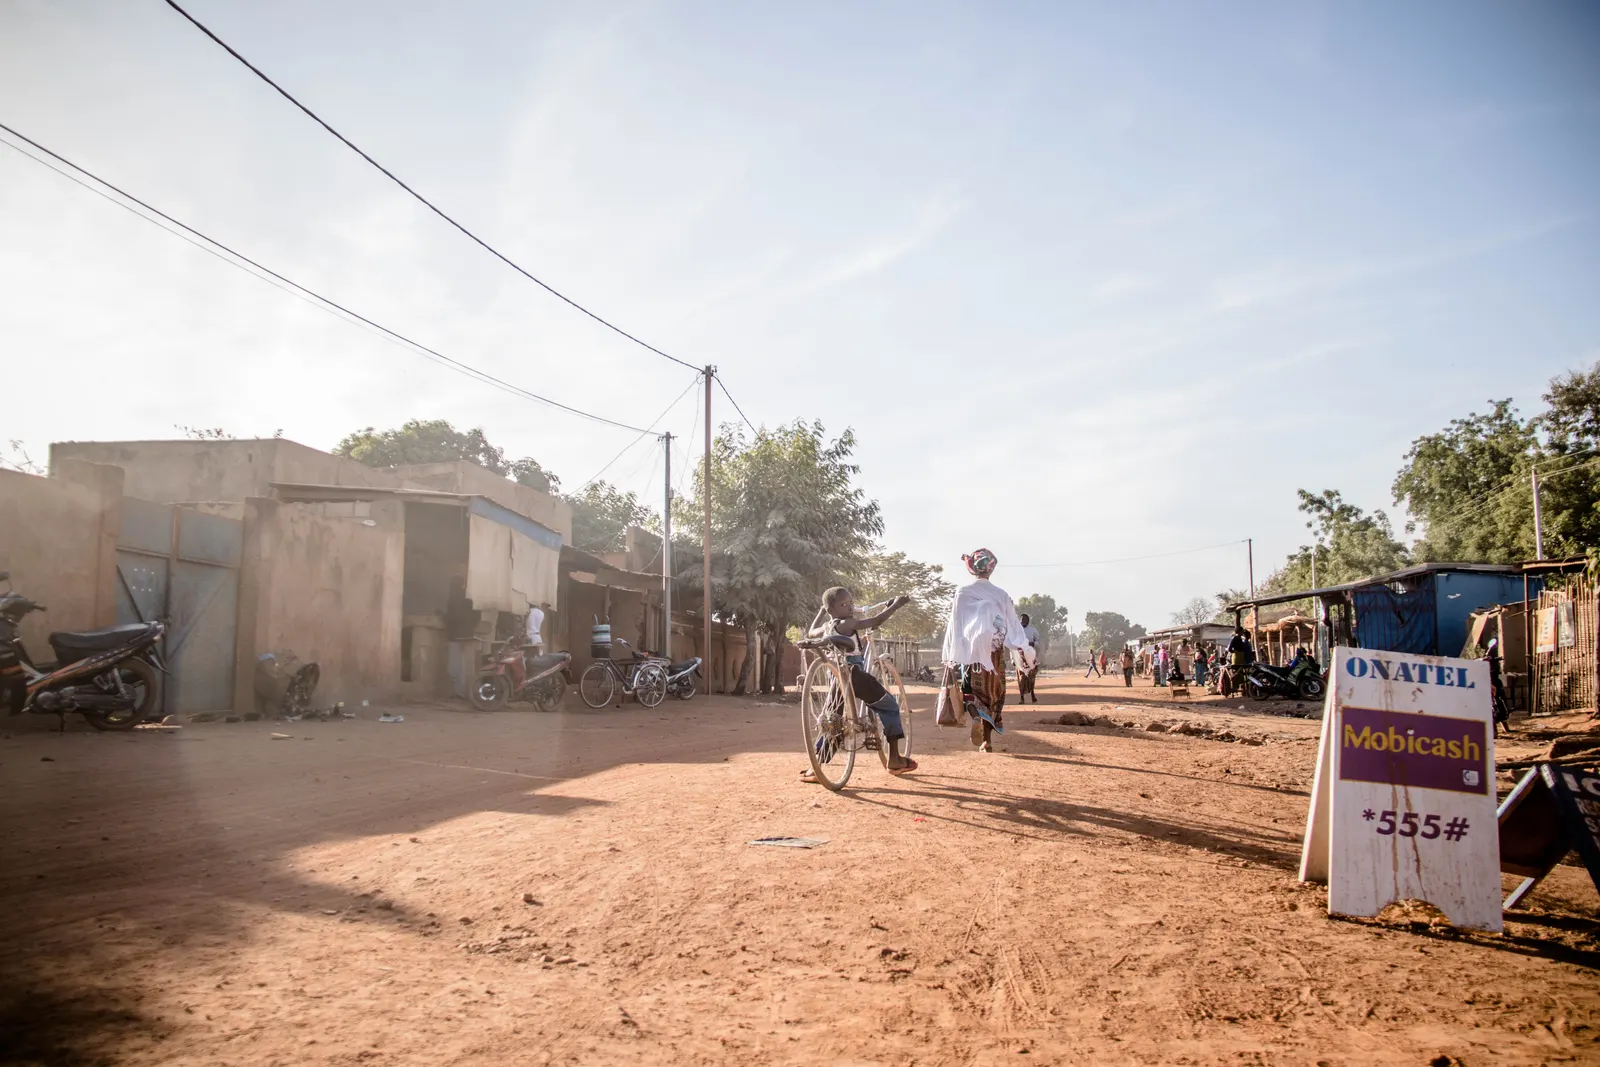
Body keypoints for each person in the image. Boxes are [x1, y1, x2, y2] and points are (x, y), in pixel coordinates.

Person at [801, 587, 917, 781]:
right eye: (843, 604)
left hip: (837, 678)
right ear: (833, 610)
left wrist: (821, 612)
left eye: (850, 603)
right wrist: (896, 605)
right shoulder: (848, 622)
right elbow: (876, 621)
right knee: (889, 706)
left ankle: (816, 768)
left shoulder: (829, 626)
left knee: (833, 721)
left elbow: (813, 631)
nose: (849, 607)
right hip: (854, 674)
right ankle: (895, 759)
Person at [941, 548, 1032, 753]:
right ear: (990, 570)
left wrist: (952, 654)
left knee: (969, 692)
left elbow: (955, 624)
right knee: (993, 696)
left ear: (972, 569)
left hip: (970, 655)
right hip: (994, 655)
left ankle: (975, 717)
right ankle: (987, 741)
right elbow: (1013, 625)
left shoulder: (962, 592)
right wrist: (1022, 648)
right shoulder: (1001, 594)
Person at [1017, 613, 1041, 704]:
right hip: (1020, 657)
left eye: (1025, 620)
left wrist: (1032, 644)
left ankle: (1032, 694)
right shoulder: (1016, 631)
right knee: (1021, 678)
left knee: (1031, 677)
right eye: (1021, 620)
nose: (1023, 621)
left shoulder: (1033, 630)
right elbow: (1012, 645)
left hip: (1031, 656)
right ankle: (1021, 697)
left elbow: (1038, 641)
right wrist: (1013, 659)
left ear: (1028, 621)